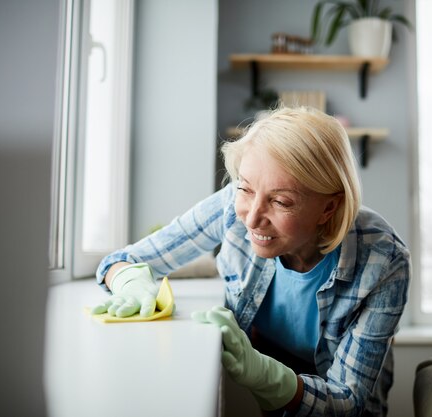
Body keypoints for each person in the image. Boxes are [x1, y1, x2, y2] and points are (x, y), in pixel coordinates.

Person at [93, 106, 411, 416]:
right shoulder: (233, 204)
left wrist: (265, 375)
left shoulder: (383, 260)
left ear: (328, 208)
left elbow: (347, 401)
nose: (252, 217)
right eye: (245, 187)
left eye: (281, 201)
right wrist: (127, 280)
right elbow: (124, 259)